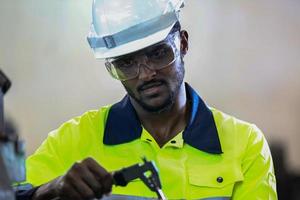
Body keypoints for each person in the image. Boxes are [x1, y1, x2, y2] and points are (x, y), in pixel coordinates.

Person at [17, 0, 277, 199]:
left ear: (183, 43)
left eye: (157, 53)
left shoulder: (245, 145)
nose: (146, 74)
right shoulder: (73, 141)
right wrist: (50, 189)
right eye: (127, 63)